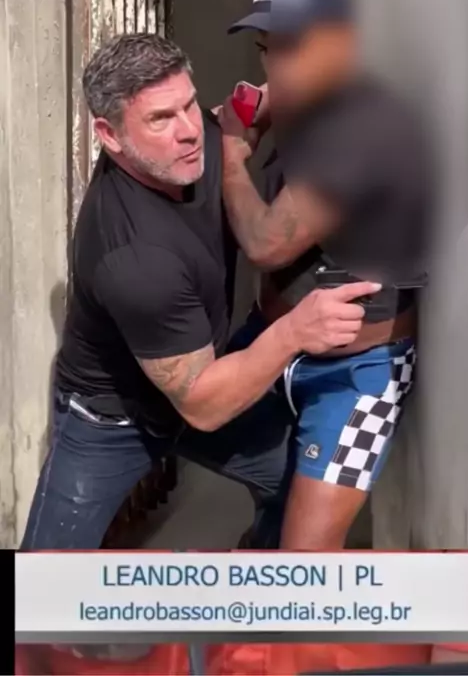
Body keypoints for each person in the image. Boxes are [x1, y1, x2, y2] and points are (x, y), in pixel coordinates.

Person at [20, 33, 380, 550]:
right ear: (109, 134)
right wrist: (296, 330)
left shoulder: (200, 137)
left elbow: (253, 110)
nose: (189, 131)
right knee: (44, 585)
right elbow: (204, 407)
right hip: (113, 418)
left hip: (203, 373)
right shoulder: (134, 258)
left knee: (300, 488)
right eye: (160, 119)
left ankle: (253, 571)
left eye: (188, 104)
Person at [221, 0, 434, 550]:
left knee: (307, 562)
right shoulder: (311, 94)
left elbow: (267, 243)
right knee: (154, 411)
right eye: (268, 48)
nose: (276, 66)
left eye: (293, 45)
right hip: (274, 343)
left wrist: (234, 155)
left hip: (354, 377)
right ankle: (266, 532)